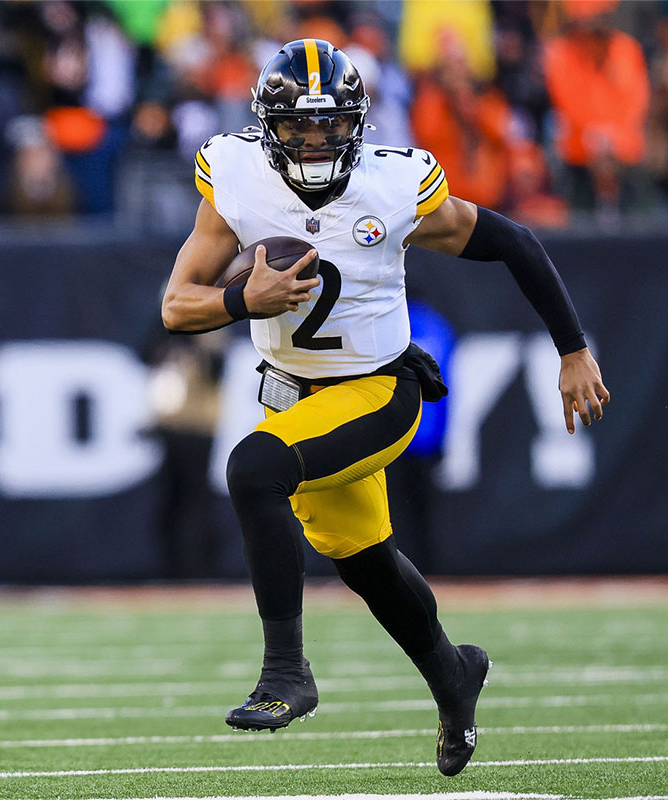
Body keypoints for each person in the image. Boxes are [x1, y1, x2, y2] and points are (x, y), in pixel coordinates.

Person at [161, 39, 609, 777]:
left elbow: (516, 242)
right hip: (296, 398)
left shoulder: (394, 186)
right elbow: (178, 307)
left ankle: (286, 674)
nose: (312, 139)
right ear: (266, 125)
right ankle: (453, 674)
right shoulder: (235, 175)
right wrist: (247, 299)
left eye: (328, 124)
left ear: (357, 124)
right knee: (365, 562)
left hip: (379, 391)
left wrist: (572, 348)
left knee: (253, 471)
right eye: (297, 126)